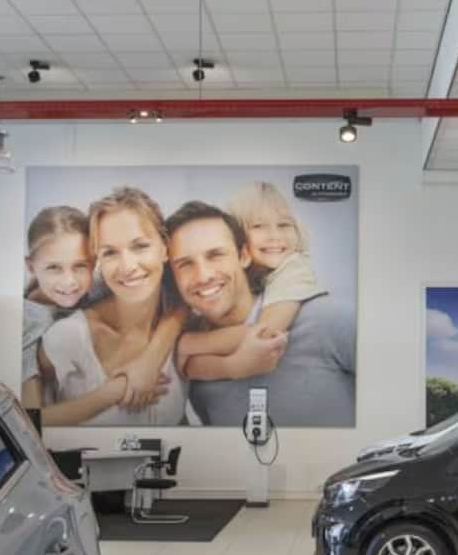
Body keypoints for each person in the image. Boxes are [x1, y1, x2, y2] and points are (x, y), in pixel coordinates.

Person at [164, 200, 355, 427]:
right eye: (185, 264)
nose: (203, 276)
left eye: (216, 255)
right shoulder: (193, 374)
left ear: (244, 255)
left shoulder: (325, 319)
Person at [37, 188, 187, 426]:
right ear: (98, 261)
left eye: (140, 246)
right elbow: (24, 421)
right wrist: (115, 391)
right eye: (109, 253)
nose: (127, 266)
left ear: (165, 248)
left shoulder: (186, 324)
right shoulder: (69, 336)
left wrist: (153, 356)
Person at [175, 181, 327, 380]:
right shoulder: (243, 277)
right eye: (258, 226)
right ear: (240, 242)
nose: (275, 236)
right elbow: (189, 367)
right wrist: (229, 366)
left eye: (284, 225)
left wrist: (190, 343)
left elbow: (266, 334)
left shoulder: (294, 268)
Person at [21, 206, 93, 410]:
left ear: (94, 262)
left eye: (80, 266)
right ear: (31, 267)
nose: (69, 281)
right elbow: (31, 407)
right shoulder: (30, 320)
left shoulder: (96, 291)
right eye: (54, 267)